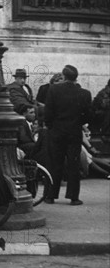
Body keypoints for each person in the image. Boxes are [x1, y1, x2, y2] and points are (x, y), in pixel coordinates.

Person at [44, 65, 92, 205]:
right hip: (74, 132)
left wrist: (51, 126)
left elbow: (48, 113)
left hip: (57, 131)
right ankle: (73, 196)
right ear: (76, 77)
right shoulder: (84, 93)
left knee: (54, 163)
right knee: (74, 163)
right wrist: (77, 123)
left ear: (64, 76)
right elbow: (88, 116)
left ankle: (50, 195)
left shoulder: (53, 90)